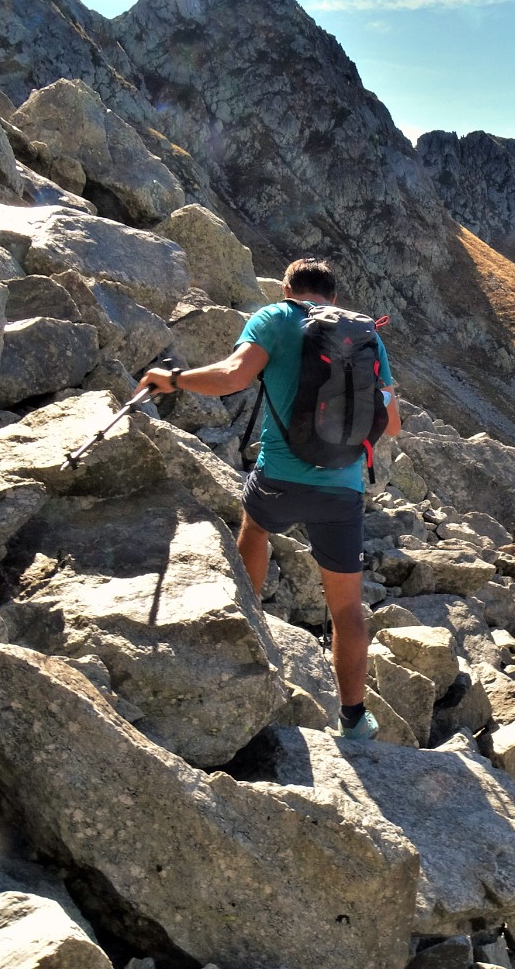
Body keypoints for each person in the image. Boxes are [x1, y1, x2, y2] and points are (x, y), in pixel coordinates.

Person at [139, 258, 400, 741]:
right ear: (333, 298)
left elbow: (234, 377)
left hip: (279, 476)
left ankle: (249, 621)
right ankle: (354, 719)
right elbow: (393, 423)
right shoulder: (367, 338)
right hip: (342, 491)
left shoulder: (274, 317)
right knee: (346, 609)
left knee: (255, 528)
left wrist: (173, 380)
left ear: (287, 288)